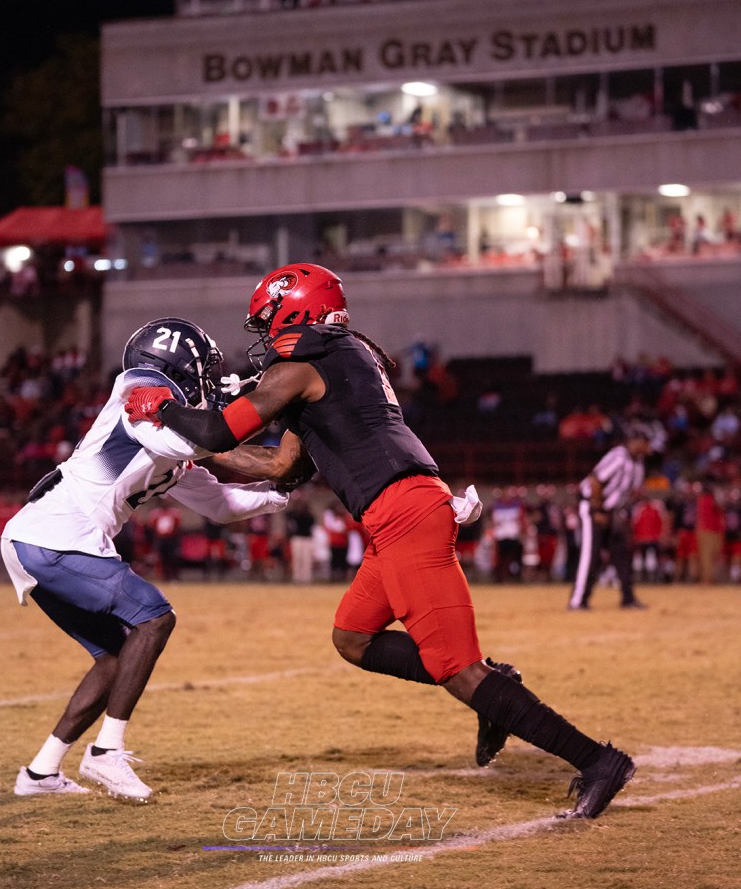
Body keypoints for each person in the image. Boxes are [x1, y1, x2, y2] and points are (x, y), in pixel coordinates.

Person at [126, 264, 636, 820]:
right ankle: (495, 687)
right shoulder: (337, 361)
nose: (266, 336)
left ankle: (598, 761)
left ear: (299, 311)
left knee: (459, 671)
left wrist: (167, 411)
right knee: (353, 637)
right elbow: (281, 465)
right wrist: (189, 447)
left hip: (406, 513)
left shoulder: (305, 368)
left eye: (270, 321)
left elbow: (225, 430)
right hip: (393, 514)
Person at [1, 317, 289, 800]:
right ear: (183, 365)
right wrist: (230, 432)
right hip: (55, 537)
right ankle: (105, 753)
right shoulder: (141, 388)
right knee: (153, 618)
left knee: (114, 658)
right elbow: (178, 440)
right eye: (207, 371)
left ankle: (40, 772)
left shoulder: (172, 434)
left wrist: (280, 491)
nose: (214, 384)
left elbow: (221, 505)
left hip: (47, 539)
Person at [568, 425, 652, 611]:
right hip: (591, 506)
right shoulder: (619, 457)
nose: (649, 448)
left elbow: (629, 493)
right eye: (646, 443)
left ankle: (628, 598)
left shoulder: (638, 463)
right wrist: (598, 510)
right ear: (636, 442)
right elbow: (595, 481)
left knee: (622, 553)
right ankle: (578, 600)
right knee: (591, 554)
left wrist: (620, 514)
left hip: (612, 511)